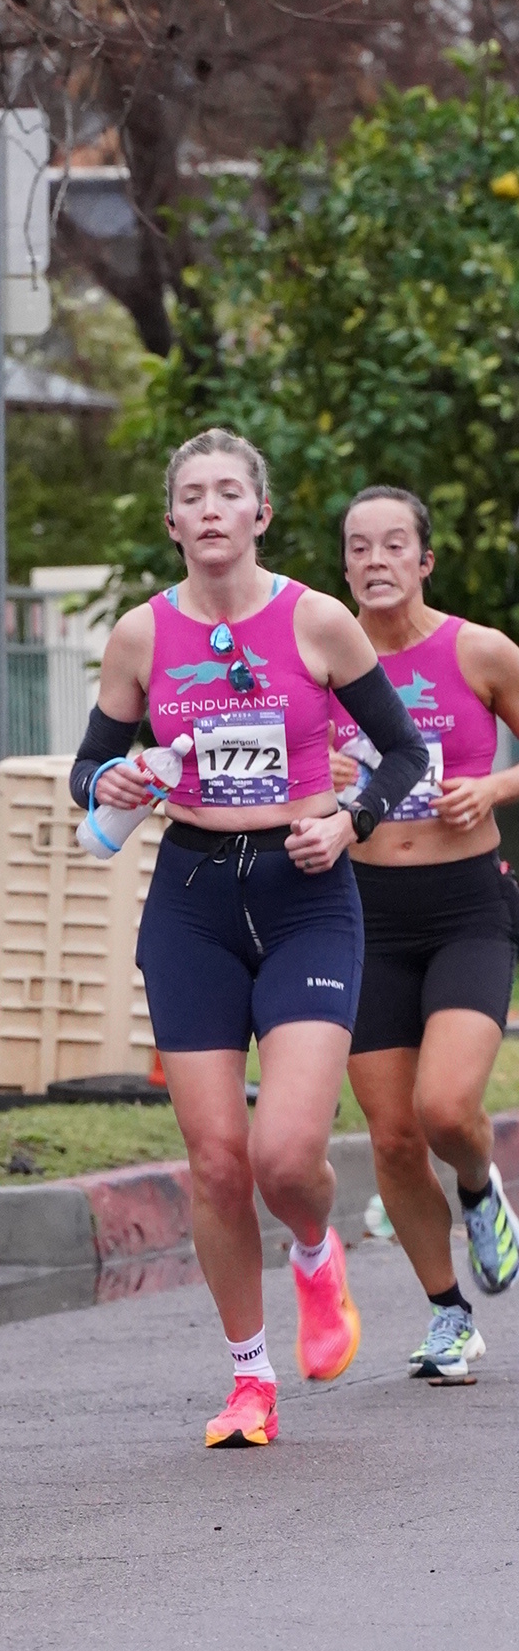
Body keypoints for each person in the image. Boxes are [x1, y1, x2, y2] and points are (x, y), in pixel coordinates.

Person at [76, 429, 428, 1447]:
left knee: (283, 1154)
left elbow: (404, 751)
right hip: (189, 896)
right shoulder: (140, 636)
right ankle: (249, 1379)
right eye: (192, 494)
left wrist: (349, 822)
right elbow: (88, 766)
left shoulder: (316, 620)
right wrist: (109, 777)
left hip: (304, 891)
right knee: (218, 1162)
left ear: (259, 515)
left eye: (229, 491)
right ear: (172, 522)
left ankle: (314, 1250)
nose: (211, 508)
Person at [326, 484, 519, 1381]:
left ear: (425, 560)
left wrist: (494, 788)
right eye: (359, 547)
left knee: (445, 1109)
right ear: (345, 567)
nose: (376, 560)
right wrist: (321, 777)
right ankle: (449, 1314)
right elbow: (274, 771)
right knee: (394, 1136)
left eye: (393, 544)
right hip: (363, 912)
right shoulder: (323, 663)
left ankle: (481, 1189)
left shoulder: (479, 650)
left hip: (467, 905)